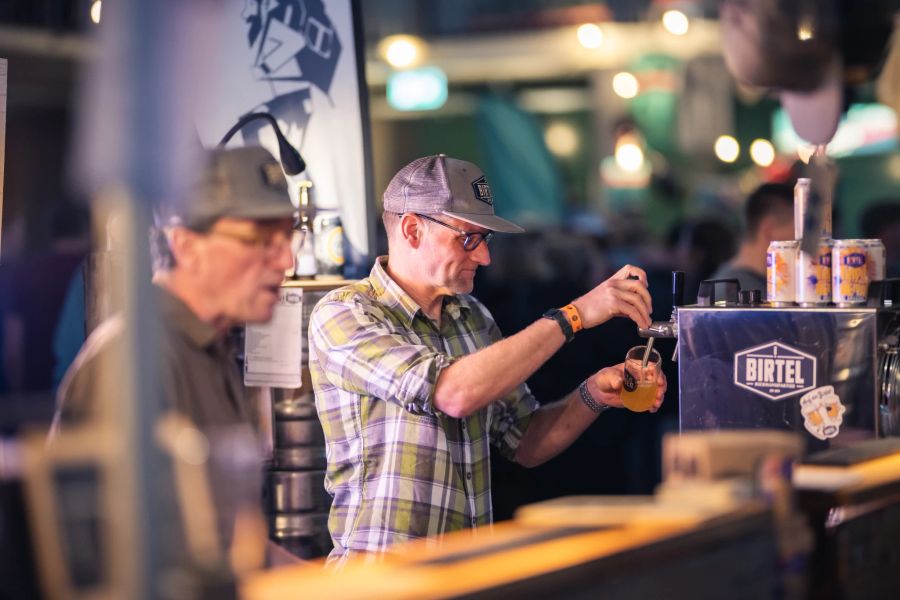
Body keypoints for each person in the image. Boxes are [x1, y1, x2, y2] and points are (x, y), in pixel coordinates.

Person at [308, 154, 665, 565]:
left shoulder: (472, 317)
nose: (484, 258)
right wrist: (574, 315)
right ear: (411, 229)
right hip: (380, 581)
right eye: (468, 239)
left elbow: (525, 440)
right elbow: (451, 393)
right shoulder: (346, 313)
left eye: (486, 240)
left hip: (463, 572)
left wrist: (594, 394)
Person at [54, 145, 294, 430]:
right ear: (187, 246)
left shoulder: (213, 351)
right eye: (262, 240)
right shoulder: (134, 361)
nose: (286, 260)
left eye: (289, 238)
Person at [711, 183, 795, 293]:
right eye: (798, 232)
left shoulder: (725, 285)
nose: (807, 244)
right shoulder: (743, 296)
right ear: (769, 230)